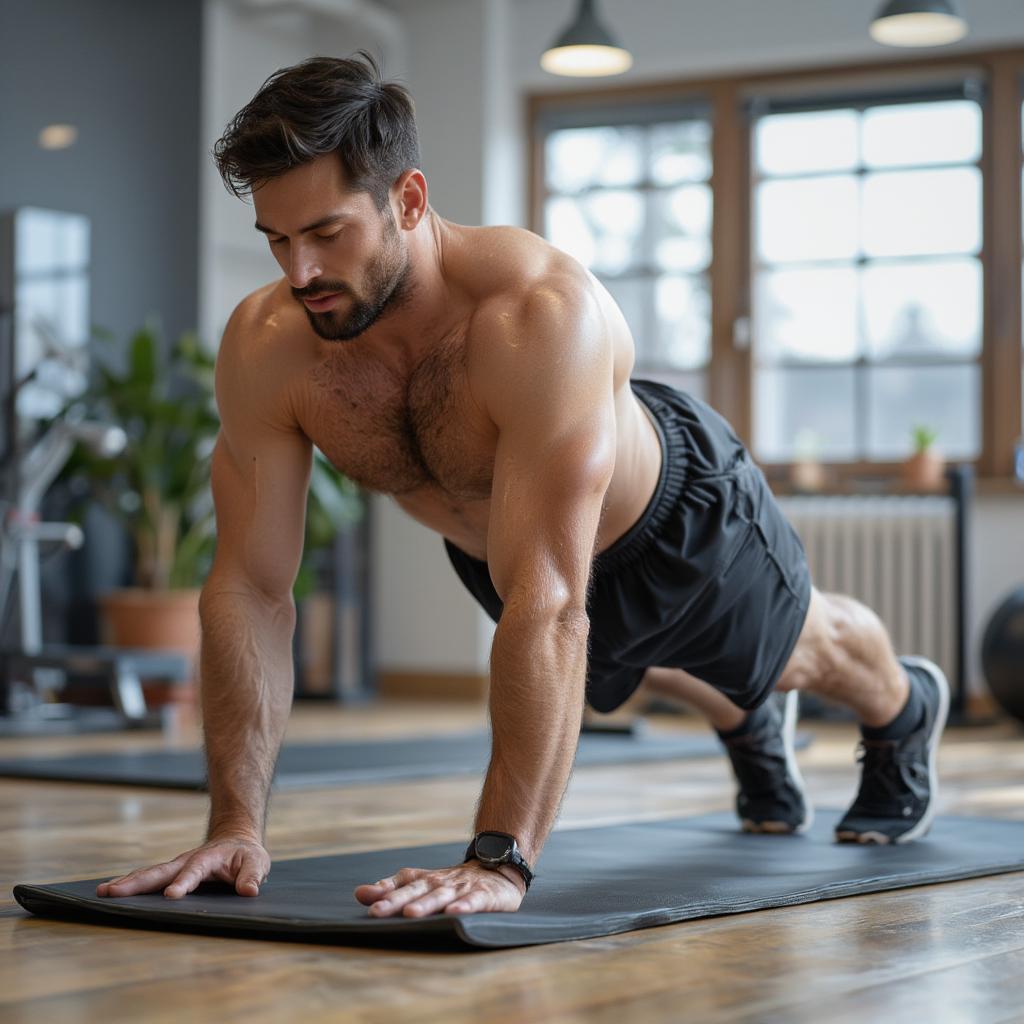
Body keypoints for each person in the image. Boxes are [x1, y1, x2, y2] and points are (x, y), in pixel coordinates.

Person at [96, 52, 949, 919]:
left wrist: (499, 860)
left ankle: (906, 707)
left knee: (803, 653)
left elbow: (551, 604)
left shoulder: (535, 313)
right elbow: (248, 587)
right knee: (617, 662)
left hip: (672, 522)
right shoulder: (269, 346)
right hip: (506, 544)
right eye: (277, 240)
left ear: (410, 200)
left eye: (326, 232)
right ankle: (748, 722)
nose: (301, 271)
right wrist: (235, 825)